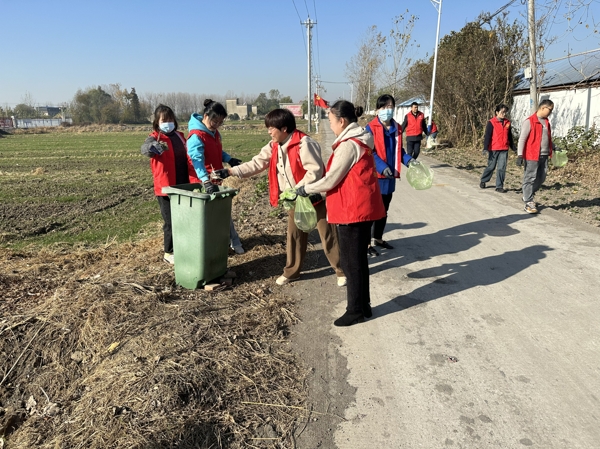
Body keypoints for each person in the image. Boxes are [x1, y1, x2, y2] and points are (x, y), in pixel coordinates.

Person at [213, 108, 346, 287]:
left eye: (271, 128)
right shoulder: (273, 146)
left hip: (314, 196)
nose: (269, 132)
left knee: (327, 234)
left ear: (284, 129)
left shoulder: (304, 143)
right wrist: (230, 171)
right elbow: (257, 163)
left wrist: (298, 189)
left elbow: (315, 171)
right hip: (293, 200)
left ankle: (341, 270)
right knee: (294, 236)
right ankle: (292, 272)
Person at [296, 101, 386, 327]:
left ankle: (354, 309)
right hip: (359, 209)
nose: (330, 124)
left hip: (352, 211)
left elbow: (331, 179)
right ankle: (364, 305)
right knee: (358, 261)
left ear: (342, 121)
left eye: (331, 120)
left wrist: (306, 188)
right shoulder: (360, 139)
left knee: (350, 262)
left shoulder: (348, 145)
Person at [140, 104, 200, 265]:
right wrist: (153, 147)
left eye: (170, 119)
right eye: (164, 120)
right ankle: (169, 252)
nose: (168, 123)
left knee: (184, 218)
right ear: (157, 122)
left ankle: (183, 246)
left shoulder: (180, 137)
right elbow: (145, 149)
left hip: (184, 184)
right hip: (166, 187)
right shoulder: (154, 138)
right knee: (170, 221)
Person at [187, 99, 245, 254]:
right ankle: (220, 244)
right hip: (202, 182)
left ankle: (230, 242)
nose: (217, 124)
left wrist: (229, 159)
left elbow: (218, 151)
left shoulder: (214, 133)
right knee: (209, 216)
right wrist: (205, 181)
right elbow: (197, 161)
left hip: (215, 178)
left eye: (220, 122)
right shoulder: (196, 136)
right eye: (214, 120)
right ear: (205, 116)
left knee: (221, 212)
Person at [365, 94, 414, 255]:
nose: (388, 110)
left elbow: (400, 151)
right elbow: (370, 152)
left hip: (390, 178)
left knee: (384, 211)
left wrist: (409, 161)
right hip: (375, 177)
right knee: (371, 212)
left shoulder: (397, 128)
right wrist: (381, 167)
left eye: (390, 107)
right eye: (384, 107)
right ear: (377, 110)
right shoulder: (370, 128)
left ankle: (378, 238)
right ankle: (366, 244)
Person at [517, 99, 555, 214]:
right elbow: (522, 139)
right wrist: (520, 155)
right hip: (532, 154)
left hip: (544, 155)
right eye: (550, 110)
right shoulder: (529, 121)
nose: (551, 112)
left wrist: (553, 147)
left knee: (541, 177)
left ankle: (527, 194)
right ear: (543, 108)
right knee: (530, 177)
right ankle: (528, 201)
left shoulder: (546, 122)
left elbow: (547, 138)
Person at [479, 104, 516, 193]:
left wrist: (513, 148)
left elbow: (509, 137)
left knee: (501, 168)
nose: (504, 114)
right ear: (497, 112)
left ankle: (499, 186)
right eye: (502, 112)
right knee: (491, 167)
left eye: (505, 112)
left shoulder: (507, 122)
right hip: (493, 148)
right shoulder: (491, 122)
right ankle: (484, 180)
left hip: (504, 149)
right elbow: (487, 136)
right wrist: (485, 148)